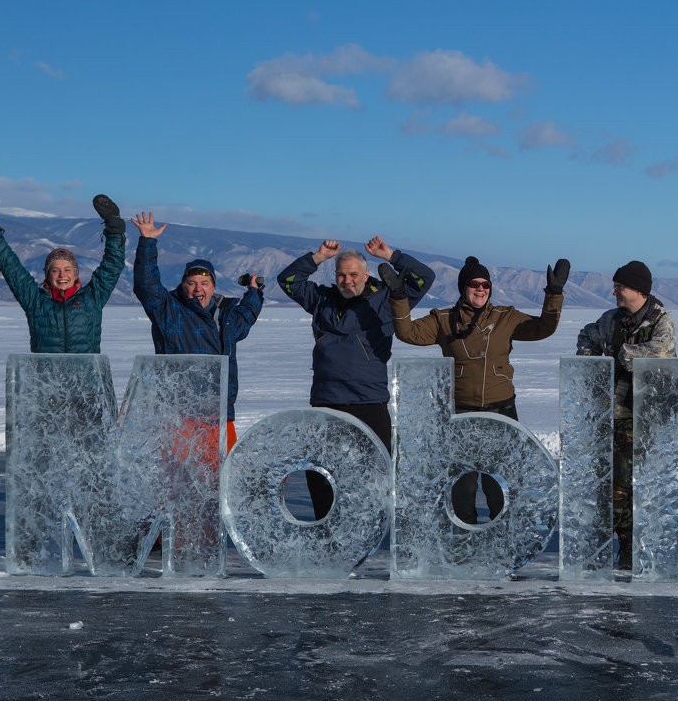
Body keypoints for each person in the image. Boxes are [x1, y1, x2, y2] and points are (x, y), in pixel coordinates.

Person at [384, 255, 569, 524]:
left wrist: (554, 294)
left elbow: (543, 328)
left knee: (500, 482)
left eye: (485, 284)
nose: (480, 289)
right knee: (463, 484)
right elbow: (408, 333)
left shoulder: (506, 317)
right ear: (463, 287)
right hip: (460, 413)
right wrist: (399, 296)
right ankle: (464, 542)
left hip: (501, 411)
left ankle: (502, 540)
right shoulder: (443, 320)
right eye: (474, 284)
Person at [277, 236, 436, 520]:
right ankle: (328, 533)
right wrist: (318, 257)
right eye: (341, 275)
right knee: (320, 475)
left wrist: (390, 255)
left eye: (353, 275)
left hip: (369, 402)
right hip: (327, 402)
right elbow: (288, 280)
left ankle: (370, 528)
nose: (347, 281)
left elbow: (424, 277)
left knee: (381, 472)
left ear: (366, 275)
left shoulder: (387, 299)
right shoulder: (322, 299)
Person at [131, 212, 264, 450]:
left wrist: (254, 292)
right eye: (191, 283)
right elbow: (146, 285)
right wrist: (148, 243)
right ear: (183, 286)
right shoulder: (169, 311)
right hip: (179, 415)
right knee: (180, 480)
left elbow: (247, 314)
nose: (197, 289)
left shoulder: (227, 316)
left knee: (225, 475)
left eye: (204, 283)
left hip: (221, 413)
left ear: (213, 287)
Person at [575, 261, 677, 569]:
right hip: (610, 413)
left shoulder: (661, 320)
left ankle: (632, 544)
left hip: (644, 416)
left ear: (639, 290)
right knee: (610, 484)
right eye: (616, 286)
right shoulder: (610, 319)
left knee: (632, 484)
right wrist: (595, 363)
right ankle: (618, 543)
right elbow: (586, 337)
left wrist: (621, 354)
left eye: (621, 286)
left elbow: (661, 351)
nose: (615, 291)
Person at [0, 189, 126, 353]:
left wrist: (115, 229)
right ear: (47, 274)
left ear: (75, 273)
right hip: (46, 378)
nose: (62, 275)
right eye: (55, 270)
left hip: (85, 377)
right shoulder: (35, 300)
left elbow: (112, 265)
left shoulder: (92, 298)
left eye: (67, 269)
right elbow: (10, 266)